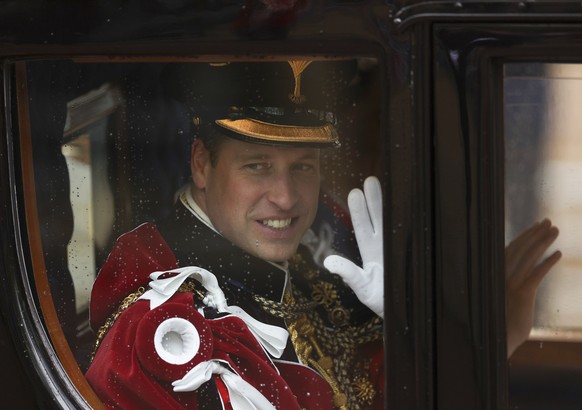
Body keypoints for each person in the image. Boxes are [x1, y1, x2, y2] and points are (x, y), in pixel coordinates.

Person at [85, 60, 561, 409]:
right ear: (202, 164)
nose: (287, 198)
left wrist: (463, 340)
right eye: (257, 166)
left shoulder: (300, 263)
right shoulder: (166, 333)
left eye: (304, 167)